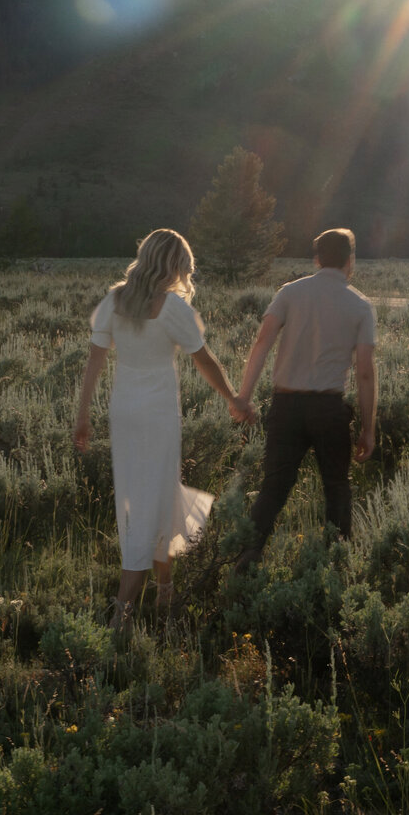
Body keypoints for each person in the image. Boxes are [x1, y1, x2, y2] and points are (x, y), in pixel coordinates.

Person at [73, 228, 249, 625]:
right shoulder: (171, 308)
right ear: (173, 265)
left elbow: (94, 362)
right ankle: (122, 613)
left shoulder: (114, 301)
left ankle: (164, 590)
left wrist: (83, 416)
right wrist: (232, 397)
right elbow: (203, 360)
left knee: (157, 493)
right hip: (157, 414)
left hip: (125, 413)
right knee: (148, 504)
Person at [232, 226, 376, 568]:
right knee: (337, 488)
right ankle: (336, 563)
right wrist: (369, 428)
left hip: (286, 407)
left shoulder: (289, 293)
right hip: (329, 409)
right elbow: (366, 371)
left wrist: (244, 395)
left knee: (273, 489)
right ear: (350, 261)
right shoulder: (359, 305)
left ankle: (247, 559)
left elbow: (262, 343)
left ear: (316, 259)